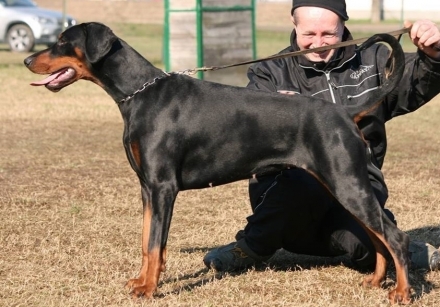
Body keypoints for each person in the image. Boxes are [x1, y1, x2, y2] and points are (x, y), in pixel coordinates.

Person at [203, 0, 440, 273]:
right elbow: (250, 142)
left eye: (328, 34)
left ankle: (403, 248)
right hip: (289, 197)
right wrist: (278, 117)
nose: (318, 44)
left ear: (343, 24)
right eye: (308, 35)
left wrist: (433, 56)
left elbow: (416, 84)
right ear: (294, 25)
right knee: (304, 176)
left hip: (355, 190)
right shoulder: (268, 74)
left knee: (366, 248)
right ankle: (252, 246)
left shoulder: (374, 60)